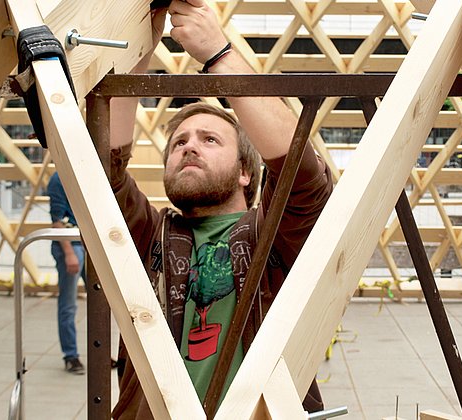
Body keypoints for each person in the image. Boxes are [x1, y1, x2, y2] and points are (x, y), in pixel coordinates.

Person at [109, 1, 333, 417]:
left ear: (246, 172)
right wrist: (137, 50)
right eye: (179, 142)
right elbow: (103, 171)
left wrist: (218, 53)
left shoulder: (272, 236)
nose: (190, 145)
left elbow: (302, 175)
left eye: (210, 140)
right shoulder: (148, 235)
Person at [47, 172, 86, 374]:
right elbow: (57, 220)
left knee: (102, 305)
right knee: (68, 305)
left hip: (88, 246)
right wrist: (69, 253)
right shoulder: (58, 179)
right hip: (71, 246)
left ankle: (102, 354)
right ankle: (71, 356)